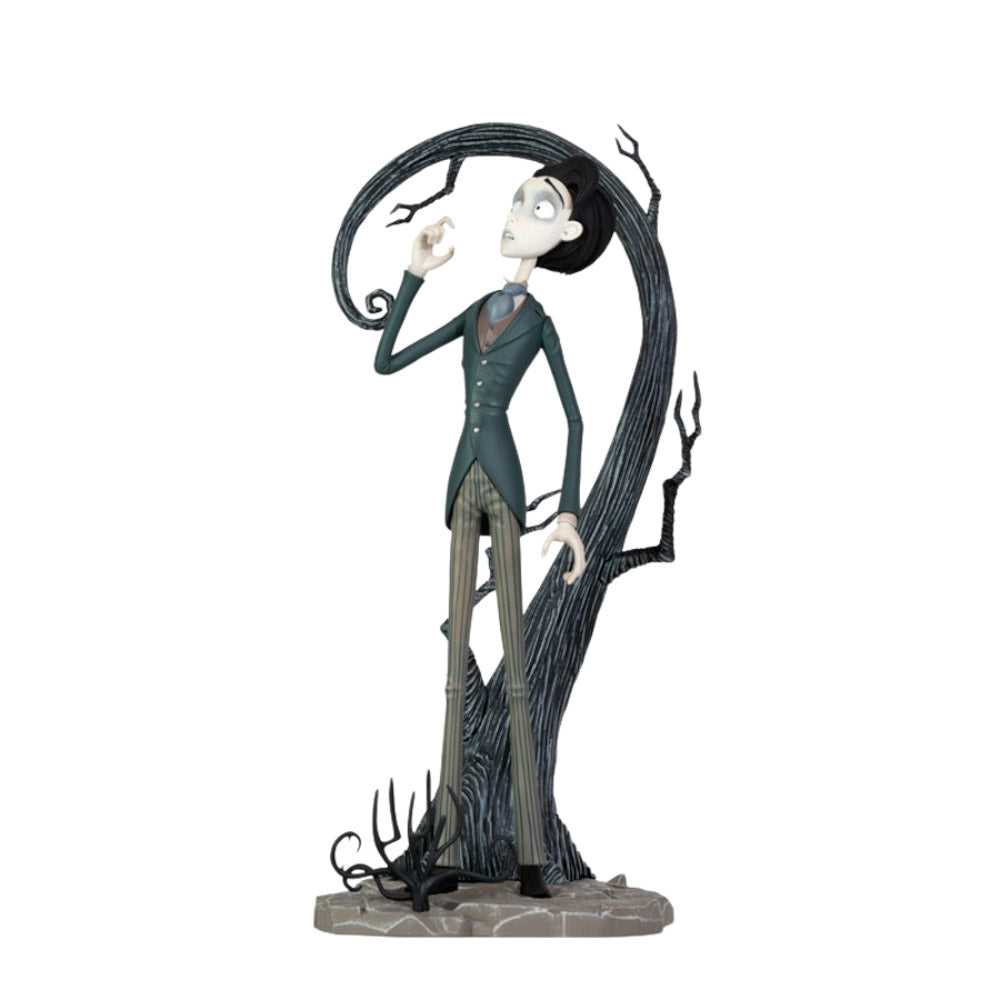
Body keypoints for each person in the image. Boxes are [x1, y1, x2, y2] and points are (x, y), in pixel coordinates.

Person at [374, 156, 614, 897]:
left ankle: (533, 857)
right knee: (455, 672)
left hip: (504, 485)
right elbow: (387, 360)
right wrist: (413, 276)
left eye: (537, 208)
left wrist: (569, 511)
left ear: (566, 233)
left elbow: (575, 417)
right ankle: (446, 852)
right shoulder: (478, 306)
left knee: (514, 672)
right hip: (462, 482)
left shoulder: (539, 323)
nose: (514, 215)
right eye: (517, 200)